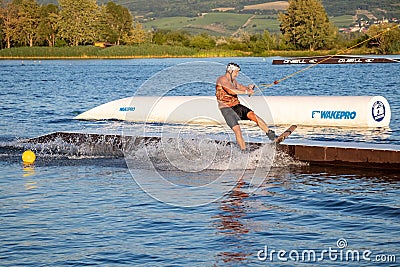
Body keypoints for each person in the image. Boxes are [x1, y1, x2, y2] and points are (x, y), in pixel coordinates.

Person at [216, 62, 276, 150]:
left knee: (253, 115)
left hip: (236, 106)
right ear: (230, 71)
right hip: (226, 109)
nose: (237, 74)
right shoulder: (222, 79)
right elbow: (231, 91)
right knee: (237, 130)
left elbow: (240, 87)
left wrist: (249, 88)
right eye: (236, 72)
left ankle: (271, 135)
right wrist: (246, 92)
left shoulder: (234, 81)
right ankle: (244, 150)